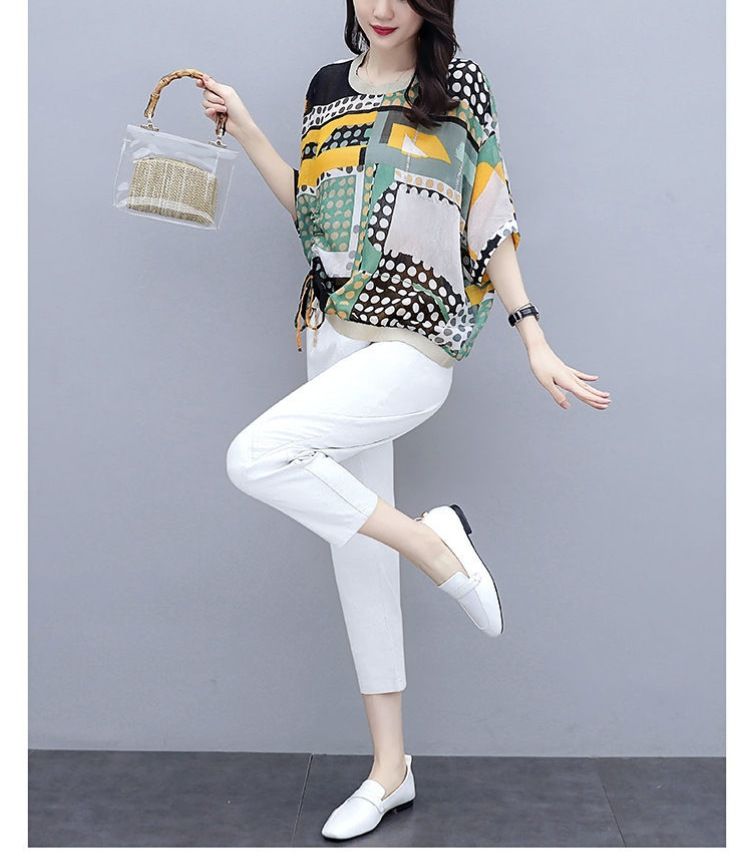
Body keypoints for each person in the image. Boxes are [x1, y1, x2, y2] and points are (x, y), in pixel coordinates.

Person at [196, 0, 611, 841]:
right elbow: (312, 210)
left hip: (414, 341)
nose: (381, 8)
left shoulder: (456, 84)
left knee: (257, 456)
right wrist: (246, 129)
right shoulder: (326, 86)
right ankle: (390, 769)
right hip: (330, 333)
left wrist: (532, 335)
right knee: (357, 554)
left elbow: (490, 213)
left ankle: (432, 545)